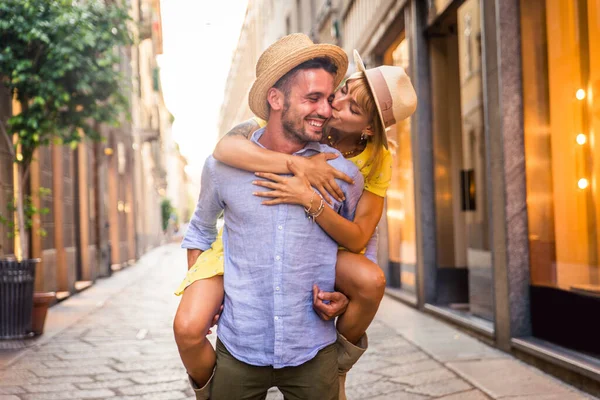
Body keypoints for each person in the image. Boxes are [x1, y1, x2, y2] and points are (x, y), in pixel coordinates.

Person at [175, 43, 418, 399]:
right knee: (187, 326)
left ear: (368, 129)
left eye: (342, 104)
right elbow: (215, 177)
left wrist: (346, 295)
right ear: (276, 100)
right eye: (334, 94)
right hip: (240, 338)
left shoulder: (356, 170)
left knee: (371, 279)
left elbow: (363, 240)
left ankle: (339, 368)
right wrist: (297, 164)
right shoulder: (240, 149)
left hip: (314, 336)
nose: (330, 107)